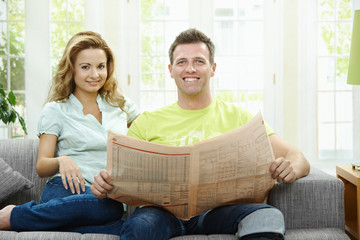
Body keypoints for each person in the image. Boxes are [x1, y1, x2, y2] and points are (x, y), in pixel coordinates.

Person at [91, 28, 310, 240]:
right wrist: (104, 183)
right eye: (182, 62)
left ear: (212, 68)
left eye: (199, 61)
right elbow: (118, 177)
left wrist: (291, 167)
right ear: (170, 70)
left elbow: (297, 157)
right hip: (160, 215)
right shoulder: (147, 122)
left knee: (267, 214)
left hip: (220, 213)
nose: (190, 69)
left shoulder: (241, 118)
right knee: (139, 226)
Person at [0, 31, 139, 234]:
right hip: (65, 189)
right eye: (85, 67)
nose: (95, 74)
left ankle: (23, 216)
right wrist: (61, 160)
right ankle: (14, 217)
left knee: (121, 222)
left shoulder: (121, 105)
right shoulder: (56, 110)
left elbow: (149, 135)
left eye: (101, 66)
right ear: (71, 69)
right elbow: (41, 166)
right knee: (111, 208)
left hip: (105, 195)